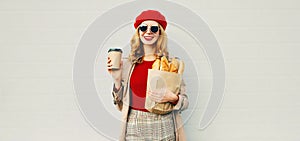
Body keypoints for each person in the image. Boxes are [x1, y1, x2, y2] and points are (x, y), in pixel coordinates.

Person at [107, 10, 189, 141]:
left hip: (164, 122)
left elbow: (185, 102)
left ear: (160, 34)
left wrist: (173, 98)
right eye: (143, 28)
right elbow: (120, 105)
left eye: (154, 28)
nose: (148, 31)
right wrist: (117, 80)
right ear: (138, 33)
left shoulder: (172, 64)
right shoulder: (128, 64)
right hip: (135, 123)